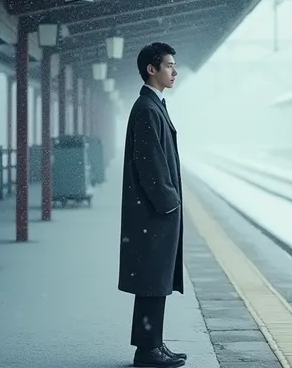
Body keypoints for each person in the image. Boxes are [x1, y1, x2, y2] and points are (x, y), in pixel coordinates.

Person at [118, 42, 186, 367]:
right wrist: (169, 203)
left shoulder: (152, 105)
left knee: (154, 281)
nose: (175, 71)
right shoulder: (146, 108)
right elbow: (151, 165)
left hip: (153, 212)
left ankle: (153, 344)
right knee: (151, 281)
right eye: (169, 65)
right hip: (154, 212)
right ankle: (147, 351)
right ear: (152, 69)